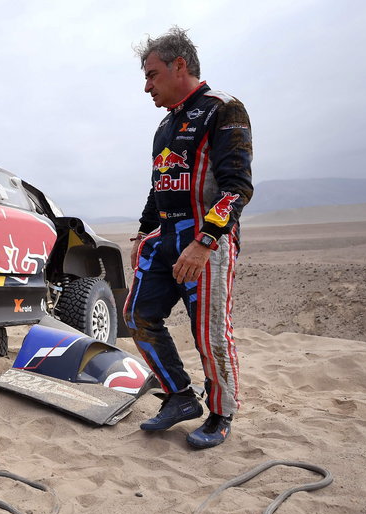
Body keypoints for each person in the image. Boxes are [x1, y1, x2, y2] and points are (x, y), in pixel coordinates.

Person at [123, 27, 253, 448]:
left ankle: (221, 413)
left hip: (206, 242)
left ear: (180, 66)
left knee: (210, 333)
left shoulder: (225, 109)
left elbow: (237, 188)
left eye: (152, 74)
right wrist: (143, 233)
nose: (147, 86)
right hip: (165, 239)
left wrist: (204, 242)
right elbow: (158, 183)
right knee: (138, 316)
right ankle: (179, 397)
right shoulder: (164, 125)